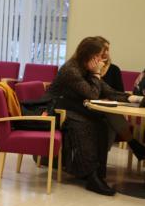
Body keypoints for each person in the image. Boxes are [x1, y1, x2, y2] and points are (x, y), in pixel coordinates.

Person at [47, 36, 145, 196]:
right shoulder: (71, 69)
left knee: (101, 123)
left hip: (74, 107)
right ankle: (90, 176)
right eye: (99, 56)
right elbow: (92, 94)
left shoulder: (85, 69)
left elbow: (109, 91)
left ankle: (97, 172)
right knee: (85, 124)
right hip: (58, 109)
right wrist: (97, 74)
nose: (101, 60)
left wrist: (136, 99)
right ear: (89, 55)